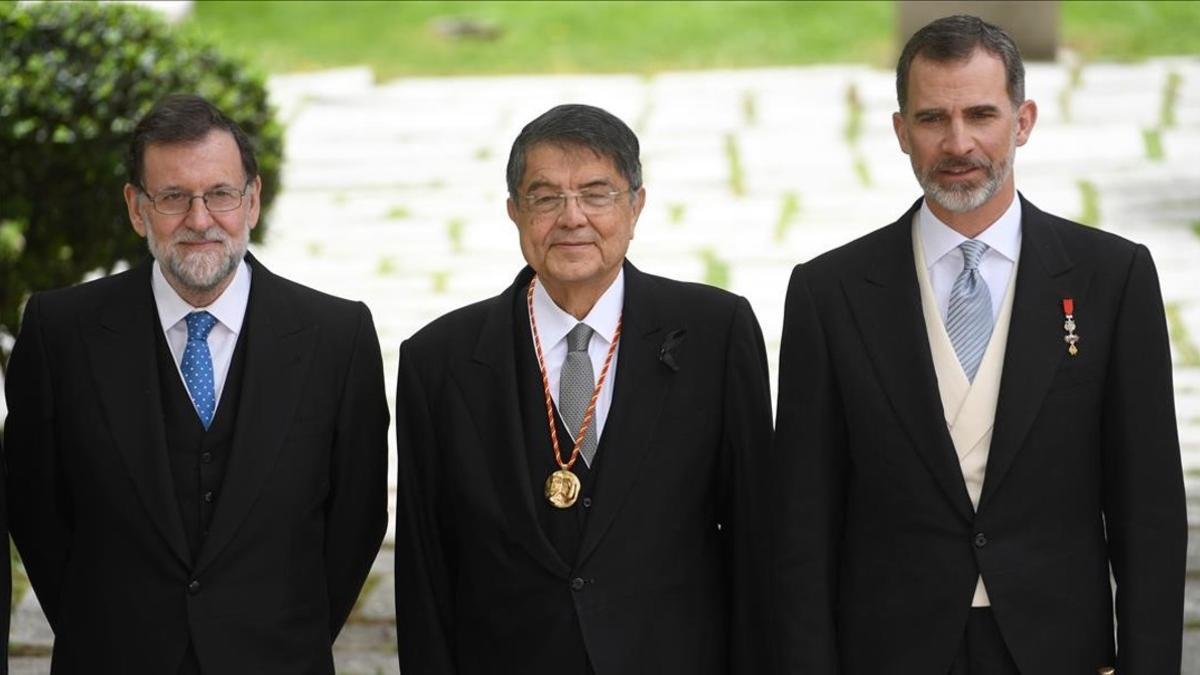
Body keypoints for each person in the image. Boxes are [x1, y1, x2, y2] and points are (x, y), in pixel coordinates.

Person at [772, 14, 1186, 675]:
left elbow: (1151, 511)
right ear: (901, 131)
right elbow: (801, 525)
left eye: (981, 115)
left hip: (1059, 648)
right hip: (887, 649)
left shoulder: (1113, 277)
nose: (957, 142)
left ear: (1022, 122)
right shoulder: (830, 293)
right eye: (933, 118)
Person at [3, 94, 389, 674]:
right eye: (173, 197)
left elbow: (357, 520)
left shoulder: (339, 337)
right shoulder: (61, 333)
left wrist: (285, 635)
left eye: (220, 194)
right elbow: (34, 508)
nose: (200, 219)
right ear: (137, 208)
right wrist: (102, 628)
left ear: (252, 199)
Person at [393, 103, 773, 674]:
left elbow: (756, 539)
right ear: (514, 212)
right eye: (546, 198)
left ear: (636, 204)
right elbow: (424, 572)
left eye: (597, 194)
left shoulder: (716, 334)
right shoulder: (438, 362)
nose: (572, 218)